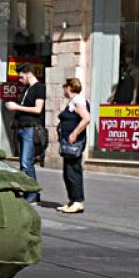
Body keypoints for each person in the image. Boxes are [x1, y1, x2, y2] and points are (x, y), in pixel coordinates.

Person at [5, 65, 45, 202]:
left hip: (30, 128)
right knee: (25, 163)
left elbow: (38, 109)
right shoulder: (27, 89)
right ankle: (31, 192)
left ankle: (33, 194)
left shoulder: (39, 88)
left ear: (29, 74)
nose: (20, 80)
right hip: (22, 127)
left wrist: (17, 107)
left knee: (26, 163)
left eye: (21, 77)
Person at [57, 77, 92, 213]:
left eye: (65, 86)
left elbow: (86, 118)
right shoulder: (73, 101)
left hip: (74, 141)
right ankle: (72, 200)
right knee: (68, 172)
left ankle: (78, 201)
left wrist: (74, 133)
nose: (64, 89)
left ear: (69, 87)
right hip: (69, 141)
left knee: (73, 171)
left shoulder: (78, 100)